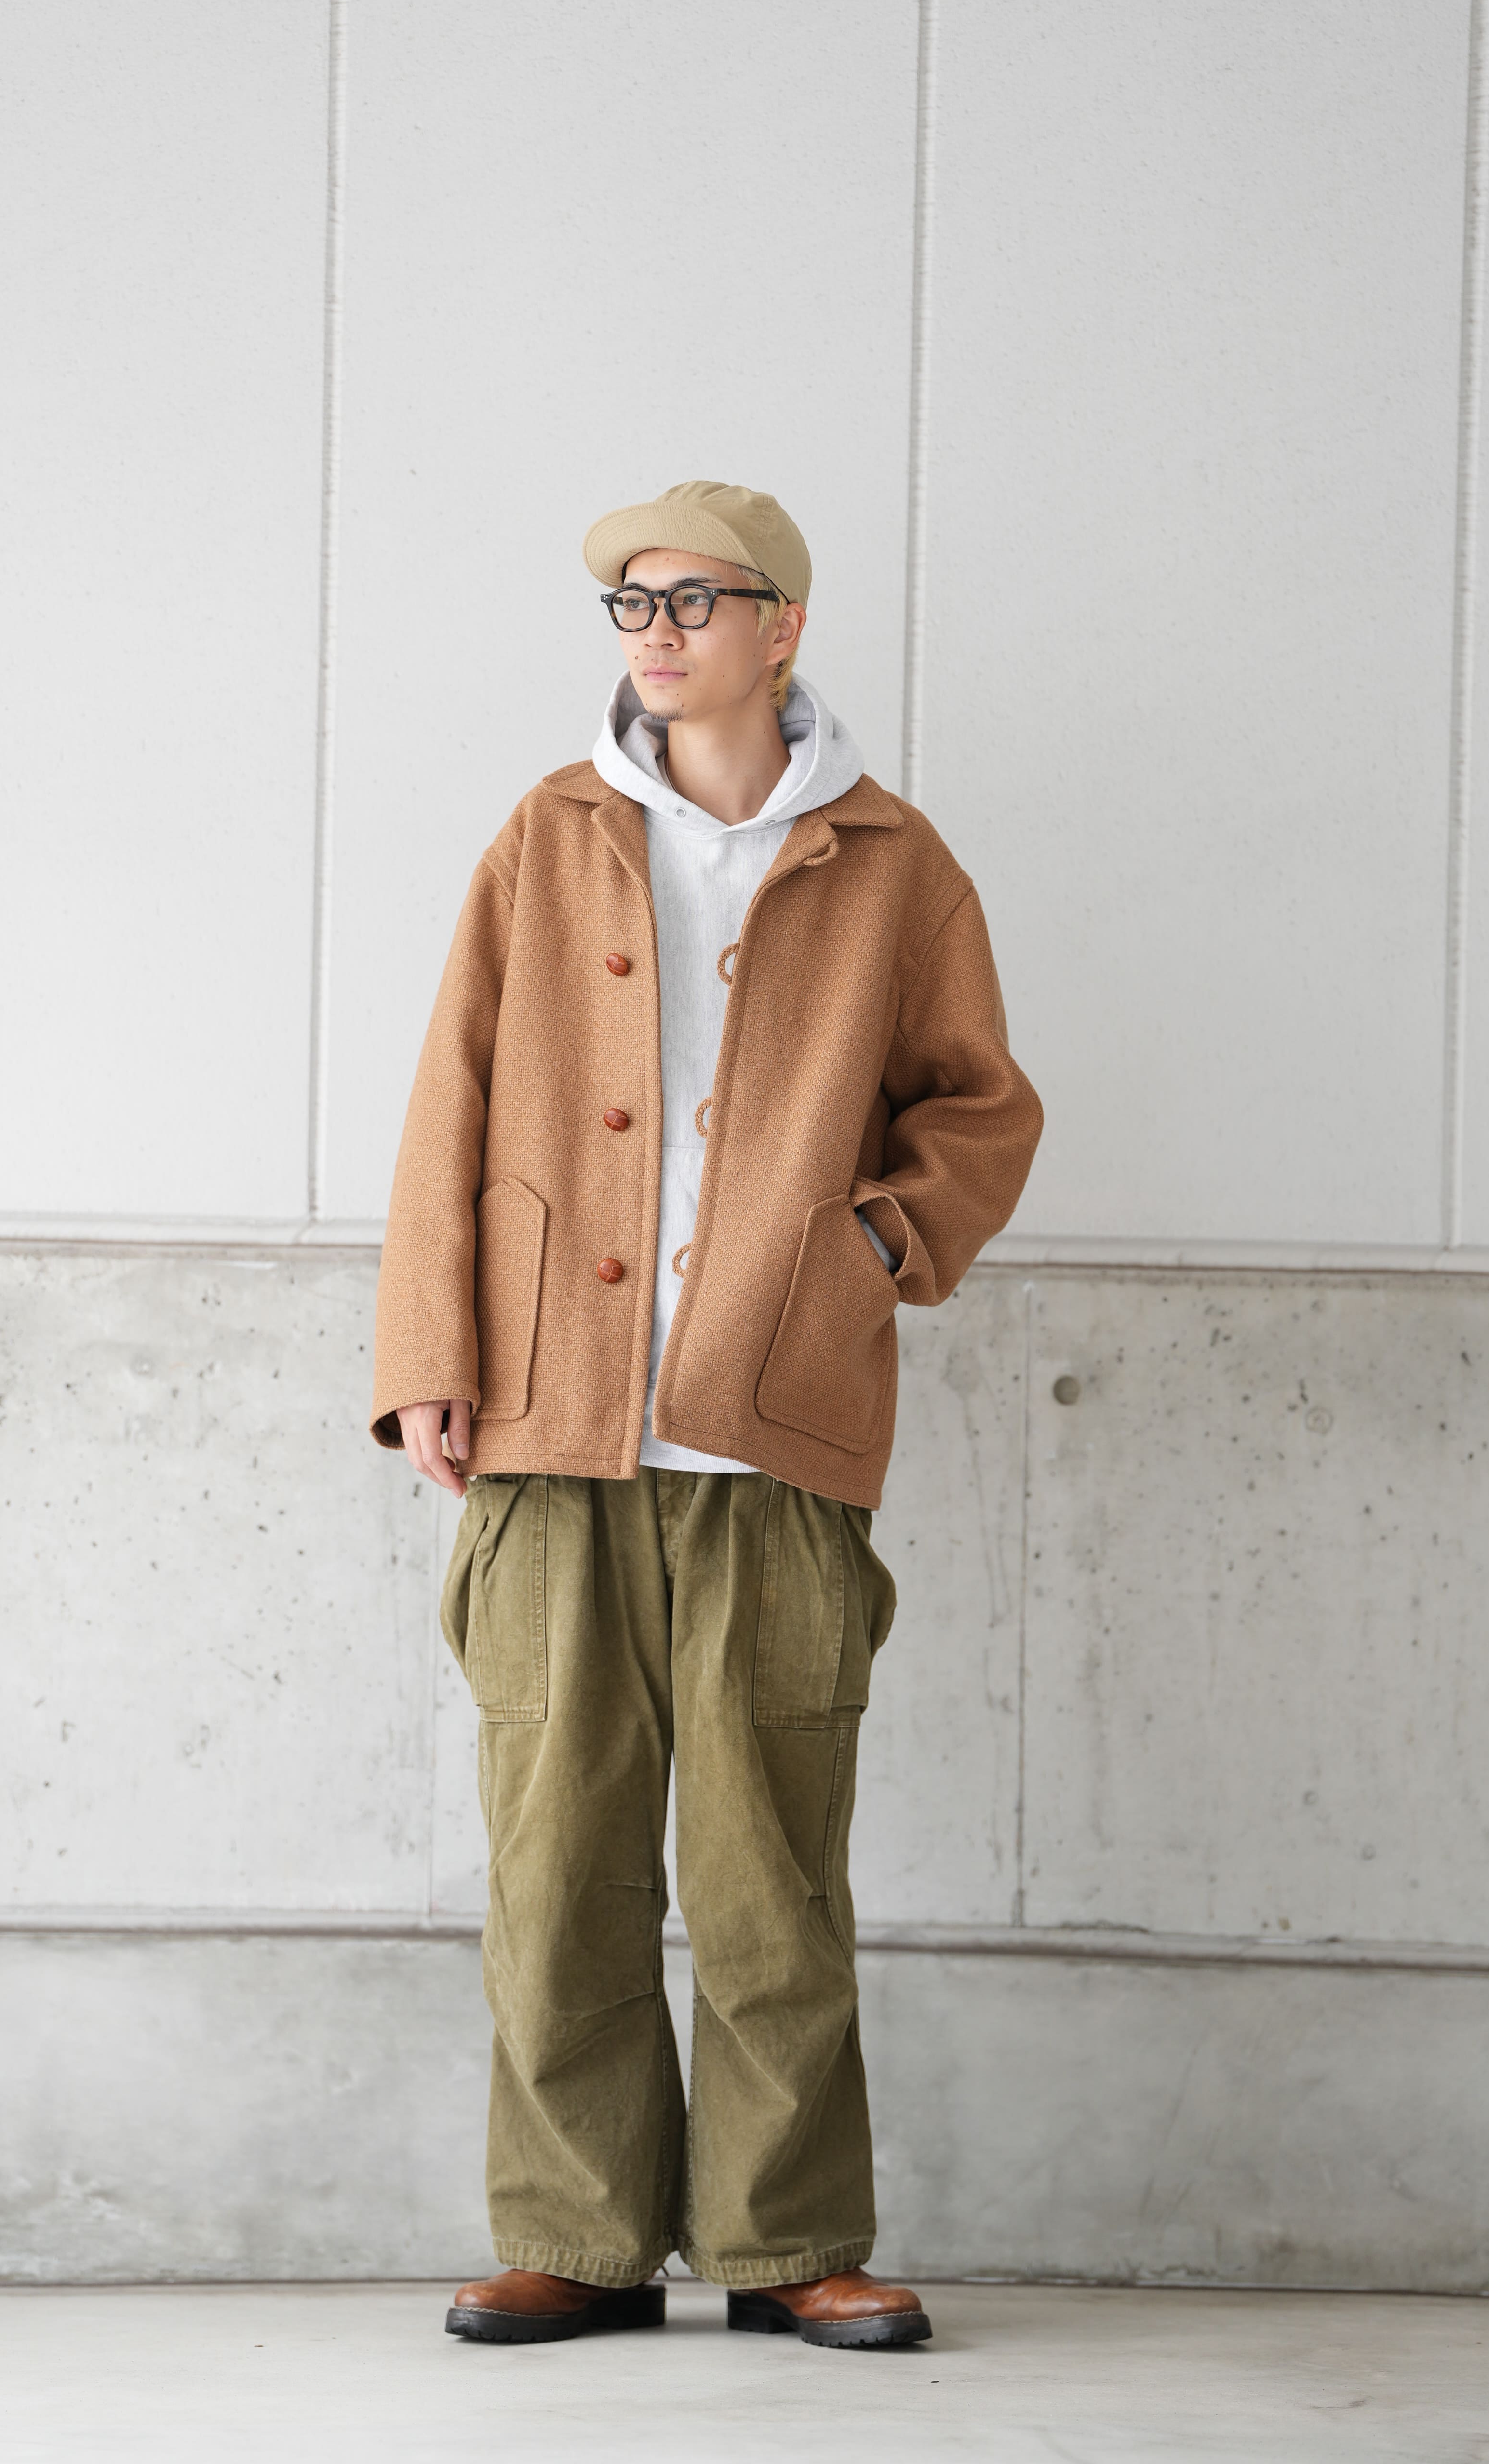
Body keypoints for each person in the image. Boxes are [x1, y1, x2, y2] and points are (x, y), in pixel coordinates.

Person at [371, 480, 1042, 2351]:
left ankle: (786, 2239)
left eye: (691, 601)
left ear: (781, 626)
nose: (652, 633)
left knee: (769, 1882)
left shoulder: (891, 862)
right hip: (550, 1423)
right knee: (554, 1865)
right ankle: (575, 2239)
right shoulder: (549, 834)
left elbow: (981, 1110)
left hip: (773, 1434)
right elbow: (450, 1098)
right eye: (628, 605)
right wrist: (424, 1351)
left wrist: (868, 1249)